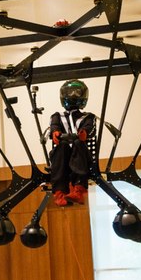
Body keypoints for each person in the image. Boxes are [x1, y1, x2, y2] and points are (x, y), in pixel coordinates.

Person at [48, 79, 95, 207]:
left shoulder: (88, 117)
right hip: (62, 156)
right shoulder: (57, 116)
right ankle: (60, 193)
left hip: (81, 156)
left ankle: (78, 190)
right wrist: (55, 133)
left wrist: (84, 133)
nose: (73, 95)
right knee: (62, 146)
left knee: (78, 143)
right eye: (70, 93)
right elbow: (54, 126)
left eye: (77, 92)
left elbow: (90, 128)